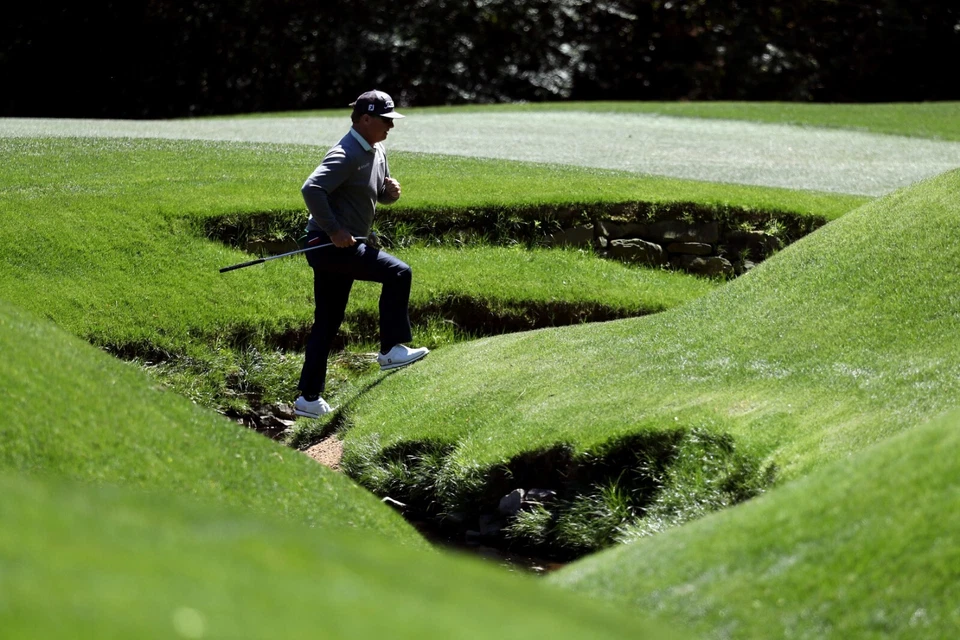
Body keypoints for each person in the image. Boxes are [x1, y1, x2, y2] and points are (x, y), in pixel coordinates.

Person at [294, 90, 429, 419]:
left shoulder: (377, 148)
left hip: (340, 245)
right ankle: (392, 350)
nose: (390, 127)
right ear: (365, 119)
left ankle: (308, 399)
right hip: (330, 246)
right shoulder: (347, 152)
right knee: (399, 273)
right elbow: (311, 189)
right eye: (385, 120)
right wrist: (334, 230)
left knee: (327, 321)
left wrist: (389, 194)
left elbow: (374, 192)